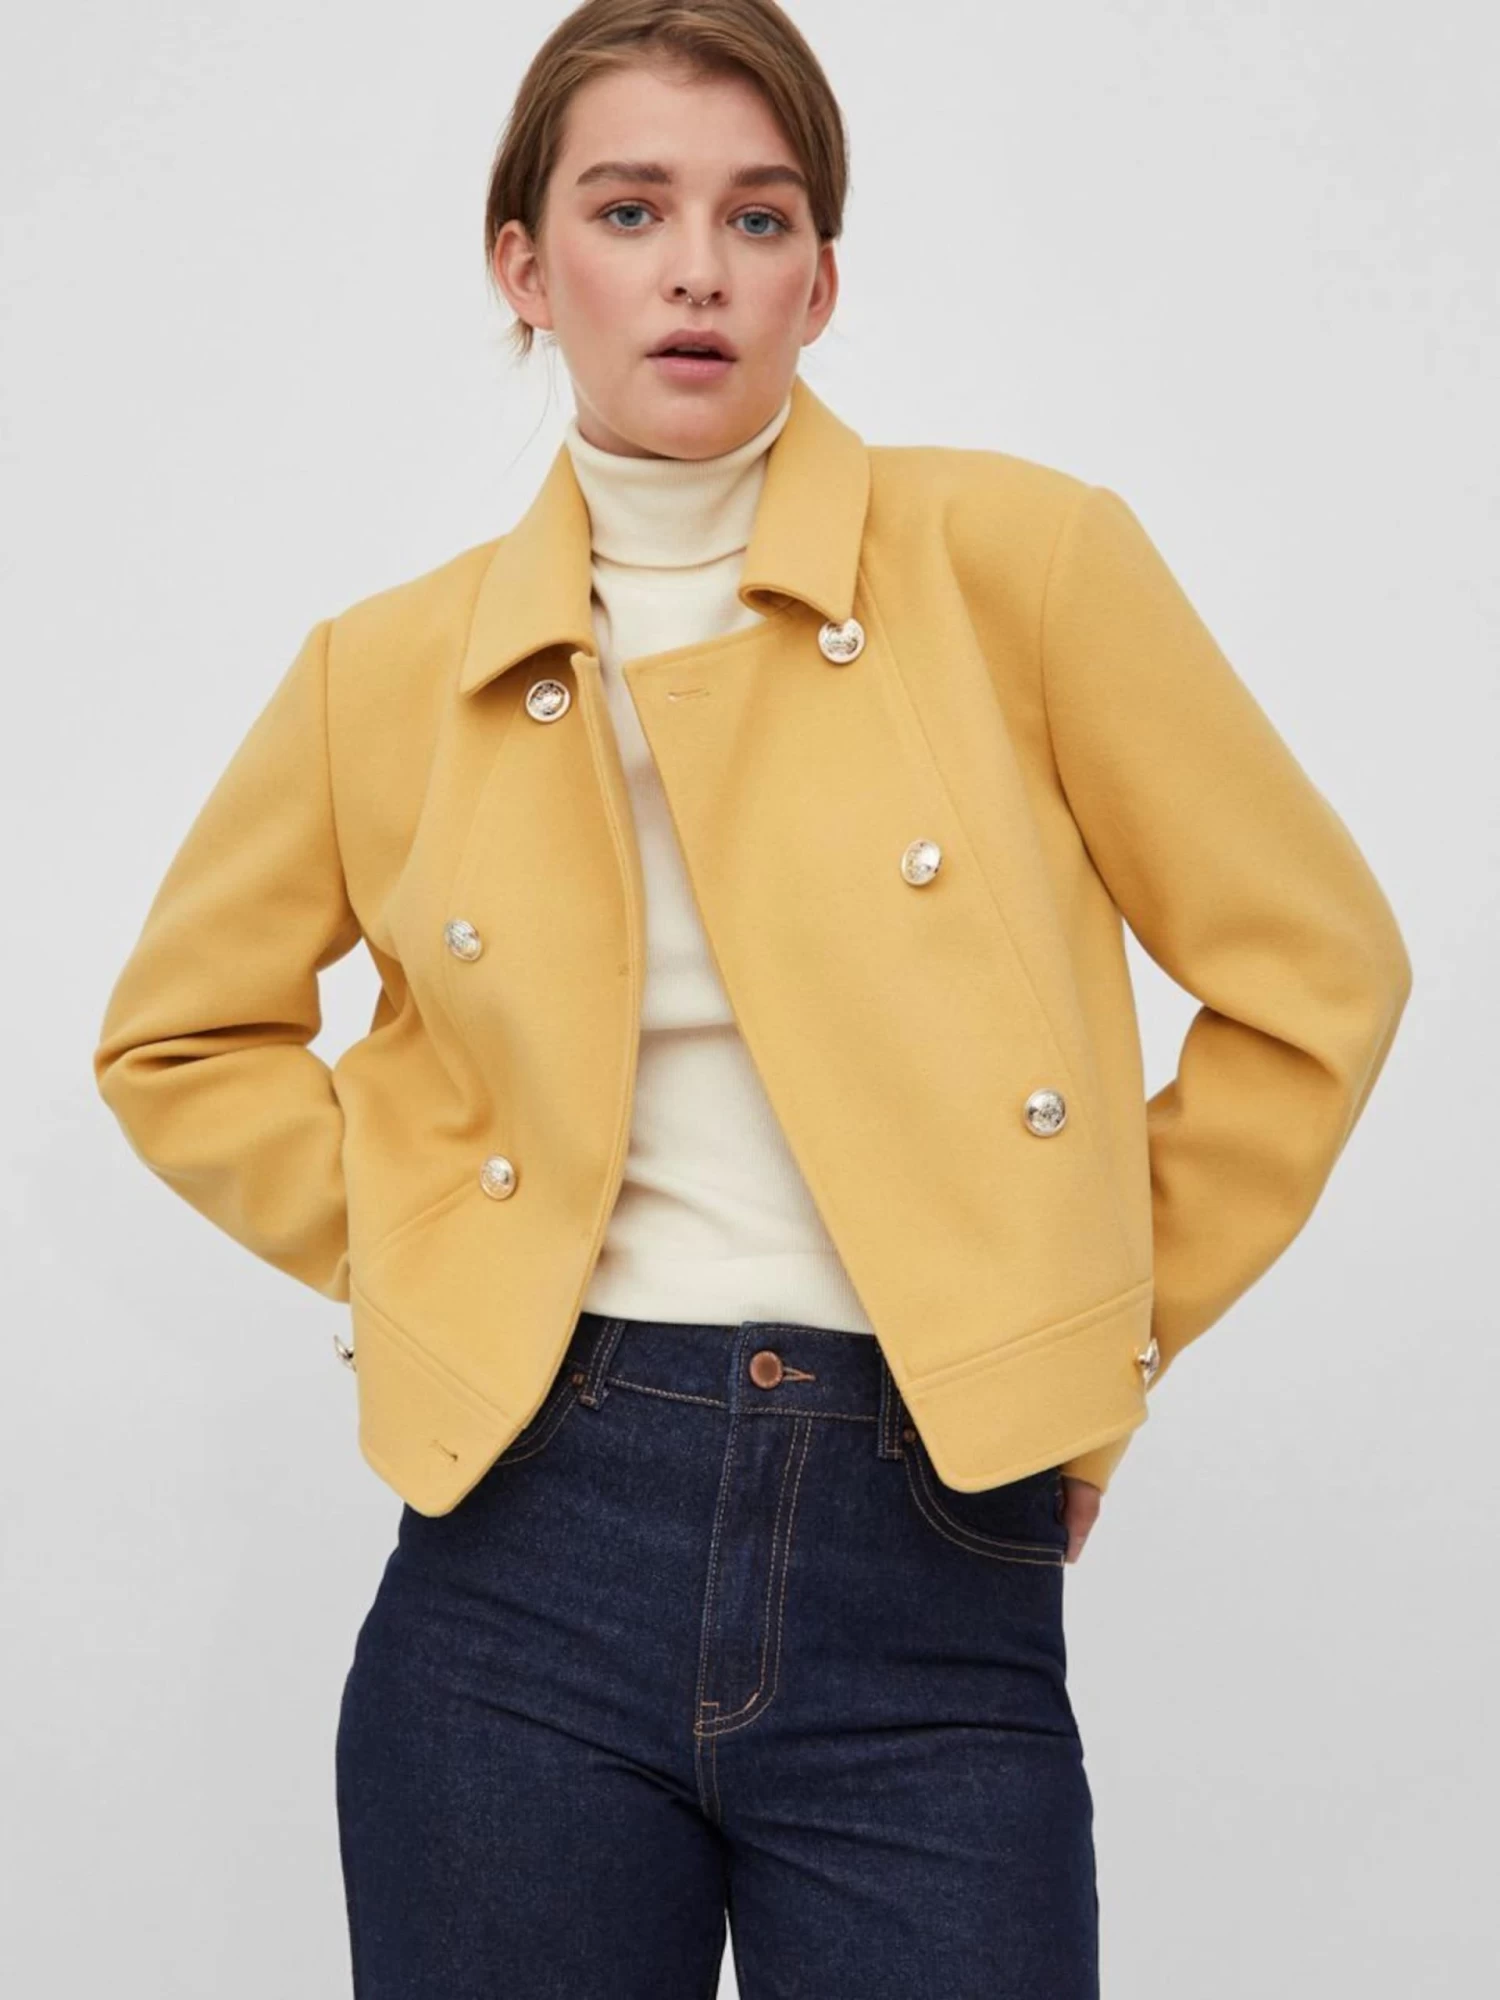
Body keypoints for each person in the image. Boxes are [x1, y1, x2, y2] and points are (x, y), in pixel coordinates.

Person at [90, 1, 1413, 1993]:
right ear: (525, 266)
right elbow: (178, 1037)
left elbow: (1317, 975)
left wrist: (1081, 1319)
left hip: (928, 1534)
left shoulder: (1022, 564)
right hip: (520, 1558)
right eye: (630, 209)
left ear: (822, 280)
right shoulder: (390, 668)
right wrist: (443, 1255)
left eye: (760, 215)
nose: (698, 267)